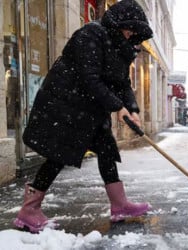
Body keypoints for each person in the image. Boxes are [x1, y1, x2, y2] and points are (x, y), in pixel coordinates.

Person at [13, 0, 153, 233]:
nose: (130, 34)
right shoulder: (91, 34)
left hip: (90, 110)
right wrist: (118, 108)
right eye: (128, 28)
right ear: (118, 23)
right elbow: (90, 78)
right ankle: (29, 210)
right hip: (67, 106)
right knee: (58, 155)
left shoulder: (121, 48)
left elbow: (122, 83)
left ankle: (119, 205)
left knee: (107, 151)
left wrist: (133, 110)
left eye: (134, 31)